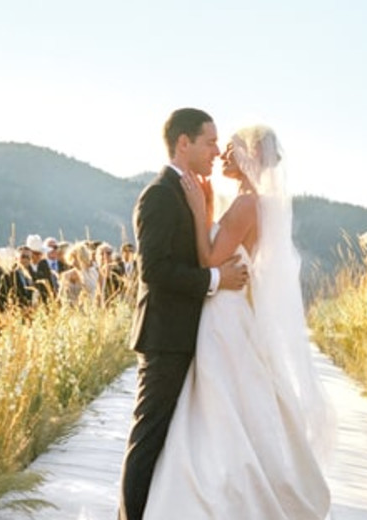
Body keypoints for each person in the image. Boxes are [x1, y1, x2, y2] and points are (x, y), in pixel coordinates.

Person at [143, 125, 333, 518]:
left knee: (220, 396)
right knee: (231, 397)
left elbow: (211, 258)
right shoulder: (256, 202)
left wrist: (200, 213)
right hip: (229, 303)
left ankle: (222, 488)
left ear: (249, 155)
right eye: (219, 147)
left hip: (224, 309)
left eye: (230, 149)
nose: (223, 155)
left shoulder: (248, 204)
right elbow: (222, 249)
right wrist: (210, 211)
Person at [118, 108, 249, 520]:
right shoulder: (159, 195)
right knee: (150, 437)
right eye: (210, 141)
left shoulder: (193, 191)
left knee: (174, 439)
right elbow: (154, 271)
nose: (215, 149)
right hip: (165, 336)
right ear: (183, 143)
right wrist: (215, 279)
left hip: (189, 335)